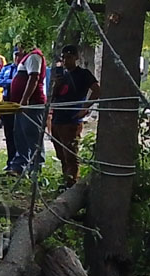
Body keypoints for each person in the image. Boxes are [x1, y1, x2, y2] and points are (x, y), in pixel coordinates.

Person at [51, 44, 100, 187]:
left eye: (69, 57)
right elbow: (54, 97)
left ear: (76, 58)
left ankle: (72, 182)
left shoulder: (83, 74)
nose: (66, 61)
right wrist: (56, 85)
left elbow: (96, 90)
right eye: (64, 58)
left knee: (70, 153)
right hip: (57, 118)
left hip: (71, 119)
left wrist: (85, 108)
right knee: (60, 153)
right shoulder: (63, 75)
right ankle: (65, 178)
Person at [7, 43, 47, 176]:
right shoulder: (27, 58)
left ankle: (36, 168)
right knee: (20, 135)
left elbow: (33, 78)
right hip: (21, 106)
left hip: (31, 104)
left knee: (33, 135)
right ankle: (20, 166)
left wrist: (25, 99)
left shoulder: (34, 56)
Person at [0, 47, 23, 171]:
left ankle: (20, 163)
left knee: (20, 135)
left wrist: (12, 83)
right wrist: (13, 82)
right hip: (7, 104)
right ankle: (10, 161)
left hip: (20, 104)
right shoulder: (7, 68)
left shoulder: (24, 69)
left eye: (20, 55)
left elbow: (24, 83)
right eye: (16, 55)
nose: (18, 57)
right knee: (9, 134)